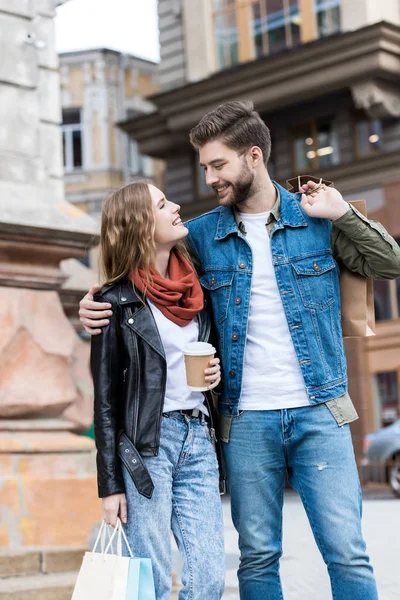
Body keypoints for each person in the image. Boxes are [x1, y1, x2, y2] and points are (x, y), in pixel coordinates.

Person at [80, 101, 400, 600]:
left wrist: (343, 212)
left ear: (254, 156)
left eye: (218, 165)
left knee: (348, 552)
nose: (209, 177)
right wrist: (96, 301)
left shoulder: (316, 216)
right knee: (257, 558)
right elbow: (142, 274)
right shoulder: (203, 235)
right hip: (244, 420)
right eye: (204, 166)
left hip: (322, 410)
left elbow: (389, 261)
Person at [90, 180, 225, 600]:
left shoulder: (196, 289)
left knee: (209, 580)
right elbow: (106, 402)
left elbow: (208, 360)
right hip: (146, 449)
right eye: (163, 204)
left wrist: (214, 378)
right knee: (148, 581)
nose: (177, 206)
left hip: (198, 440)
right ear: (140, 225)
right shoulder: (114, 303)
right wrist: (109, 485)